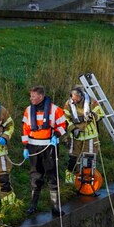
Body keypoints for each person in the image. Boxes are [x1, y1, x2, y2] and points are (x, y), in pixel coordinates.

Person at [21, 85, 68, 215]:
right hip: (34, 148)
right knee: (35, 176)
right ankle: (33, 206)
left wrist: (56, 135)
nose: (31, 99)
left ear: (41, 97)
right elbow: (25, 129)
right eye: (30, 96)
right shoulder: (28, 110)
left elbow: (64, 125)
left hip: (49, 147)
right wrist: (25, 146)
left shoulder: (55, 110)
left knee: (52, 175)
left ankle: (55, 208)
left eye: (33, 96)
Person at [64, 85, 105, 196]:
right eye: (73, 97)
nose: (74, 99)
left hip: (90, 136)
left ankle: (88, 185)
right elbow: (65, 119)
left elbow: (101, 114)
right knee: (73, 158)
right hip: (76, 136)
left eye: (77, 97)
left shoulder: (92, 102)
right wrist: (73, 129)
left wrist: (94, 115)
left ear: (82, 95)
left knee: (89, 160)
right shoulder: (68, 104)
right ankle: (69, 183)